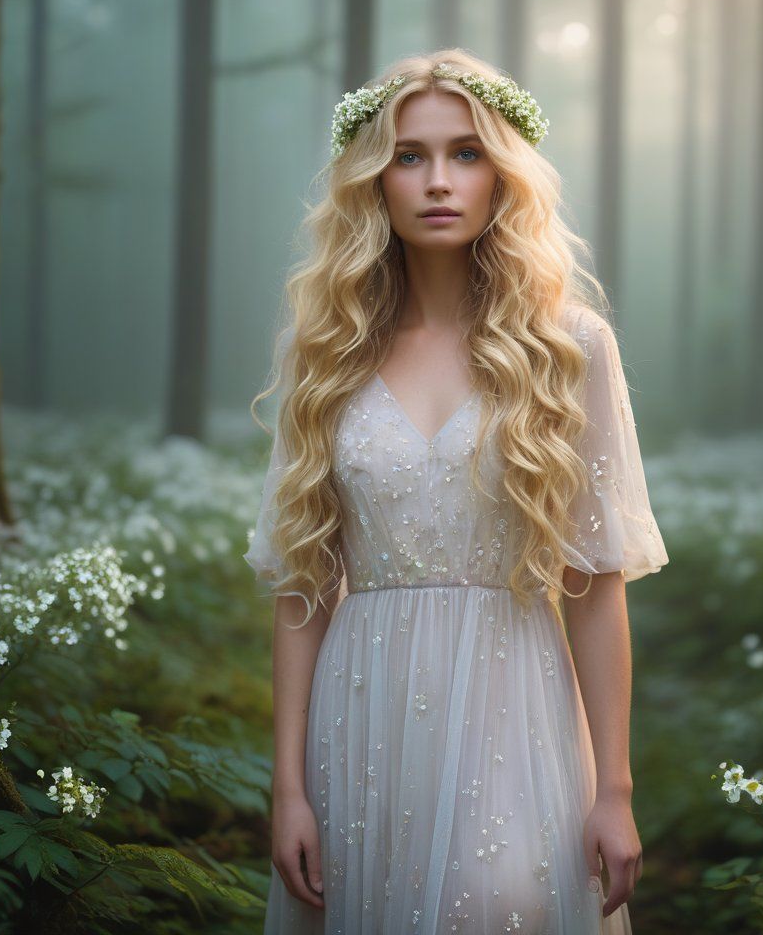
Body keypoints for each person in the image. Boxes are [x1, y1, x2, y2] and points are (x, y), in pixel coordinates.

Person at [244, 48, 669, 934]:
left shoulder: (570, 346)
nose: (438, 180)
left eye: (466, 153)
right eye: (409, 155)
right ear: (374, 179)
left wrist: (616, 789)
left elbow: (593, 582)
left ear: (503, 174)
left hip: (517, 711)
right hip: (360, 720)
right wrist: (288, 789)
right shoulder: (326, 352)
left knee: (500, 905)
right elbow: (303, 584)